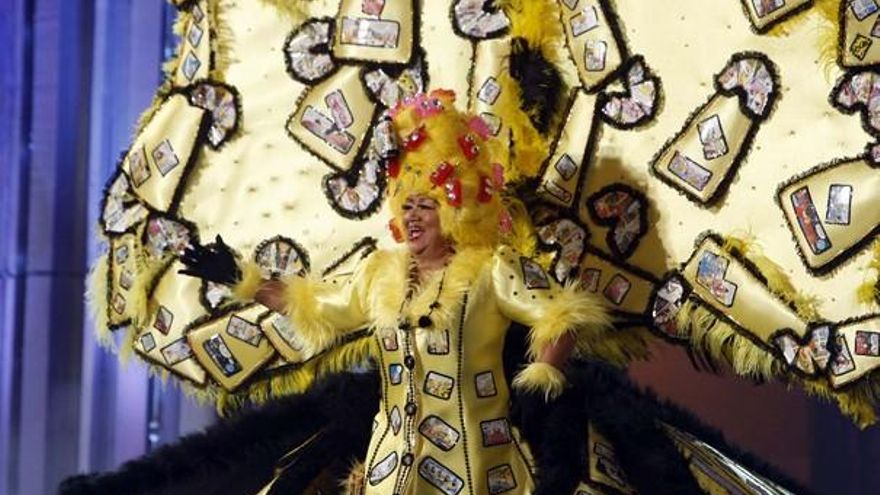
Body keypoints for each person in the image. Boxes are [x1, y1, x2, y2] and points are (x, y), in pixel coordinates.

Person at [191, 89, 614, 495]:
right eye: (406, 206)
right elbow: (316, 307)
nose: (412, 218)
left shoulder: (492, 269)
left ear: (454, 209)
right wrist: (245, 281)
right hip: (392, 468)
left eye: (425, 206)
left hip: (475, 468)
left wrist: (540, 379)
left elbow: (562, 314)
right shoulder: (377, 274)